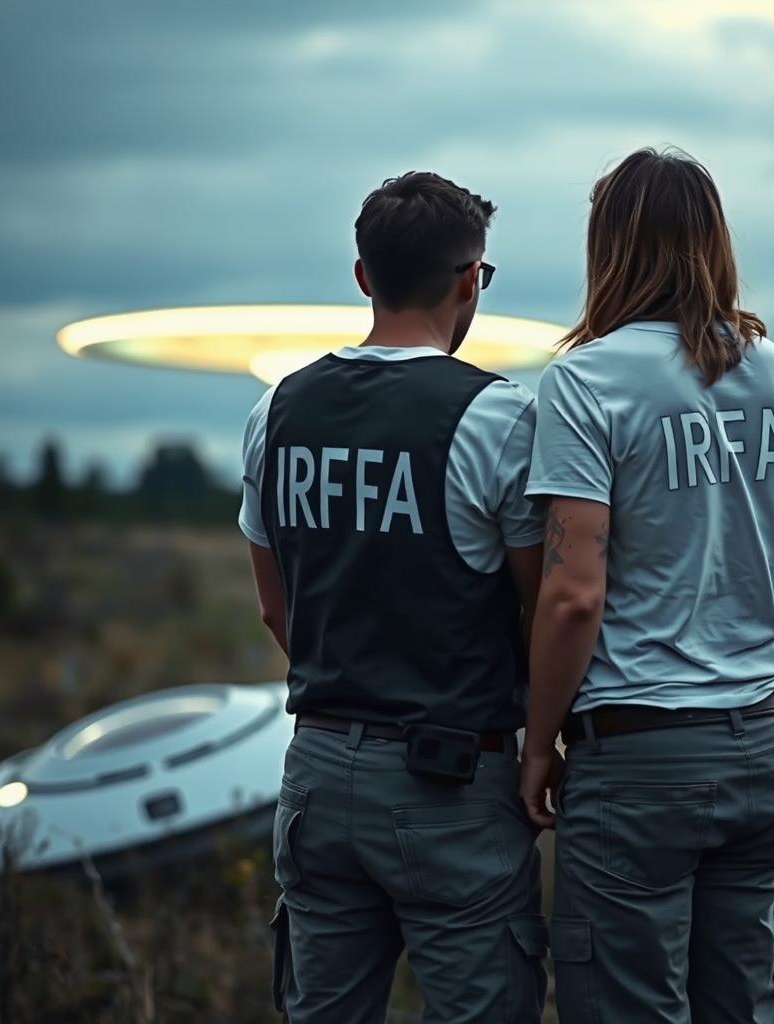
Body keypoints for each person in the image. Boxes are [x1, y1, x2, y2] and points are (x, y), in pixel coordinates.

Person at [520, 148, 774, 1023]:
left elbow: (573, 591)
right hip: (759, 749)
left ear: (609, 247)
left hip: (635, 759)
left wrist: (540, 743)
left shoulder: (587, 381)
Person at [239, 171, 548, 1023]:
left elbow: (277, 607)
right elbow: (543, 606)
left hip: (316, 770)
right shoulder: (499, 416)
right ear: (468, 279)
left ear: (363, 276)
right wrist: (541, 743)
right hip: (451, 780)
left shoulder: (277, 410)